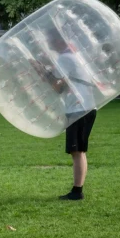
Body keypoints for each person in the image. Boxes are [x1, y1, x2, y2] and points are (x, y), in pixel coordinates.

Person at [48, 32, 97, 201]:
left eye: (50, 39)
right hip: (87, 108)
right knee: (79, 151)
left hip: (78, 109)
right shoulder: (75, 56)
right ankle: (77, 190)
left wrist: (39, 70)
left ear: (58, 40)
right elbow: (64, 86)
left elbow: (55, 86)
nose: (48, 43)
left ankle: (77, 192)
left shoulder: (64, 58)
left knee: (77, 151)